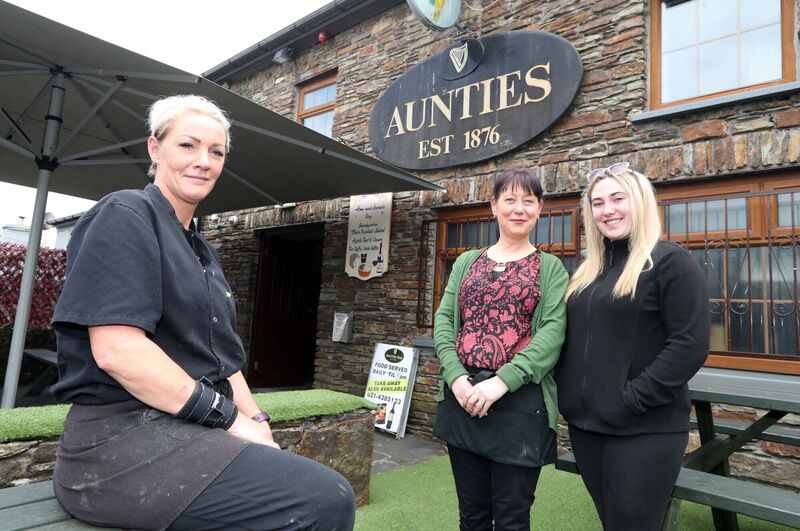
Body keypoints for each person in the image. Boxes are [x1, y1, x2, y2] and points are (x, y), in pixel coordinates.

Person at [51, 94, 356, 531]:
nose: (204, 161)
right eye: (187, 146)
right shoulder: (126, 213)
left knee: (312, 485)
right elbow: (118, 351)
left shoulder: (202, 249)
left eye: (217, 152)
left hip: (189, 431)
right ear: (155, 149)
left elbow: (224, 365)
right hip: (117, 444)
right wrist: (230, 419)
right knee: (324, 499)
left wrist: (258, 424)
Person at [557, 162, 709, 530]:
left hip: (644, 429)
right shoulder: (588, 271)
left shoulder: (671, 262)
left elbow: (689, 344)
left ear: (639, 202)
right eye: (597, 203)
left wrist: (632, 399)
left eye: (617, 198)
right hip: (587, 428)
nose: (607, 210)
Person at [433, 169, 568, 531]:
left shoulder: (550, 268)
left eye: (528, 201)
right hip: (463, 400)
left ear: (540, 208)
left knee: (511, 519)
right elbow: (445, 321)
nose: (518, 208)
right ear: (494, 206)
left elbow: (551, 336)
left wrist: (502, 381)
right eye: (509, 199)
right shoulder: (466, 262)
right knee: (472, 516)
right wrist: (456, 378)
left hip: (519, 406)